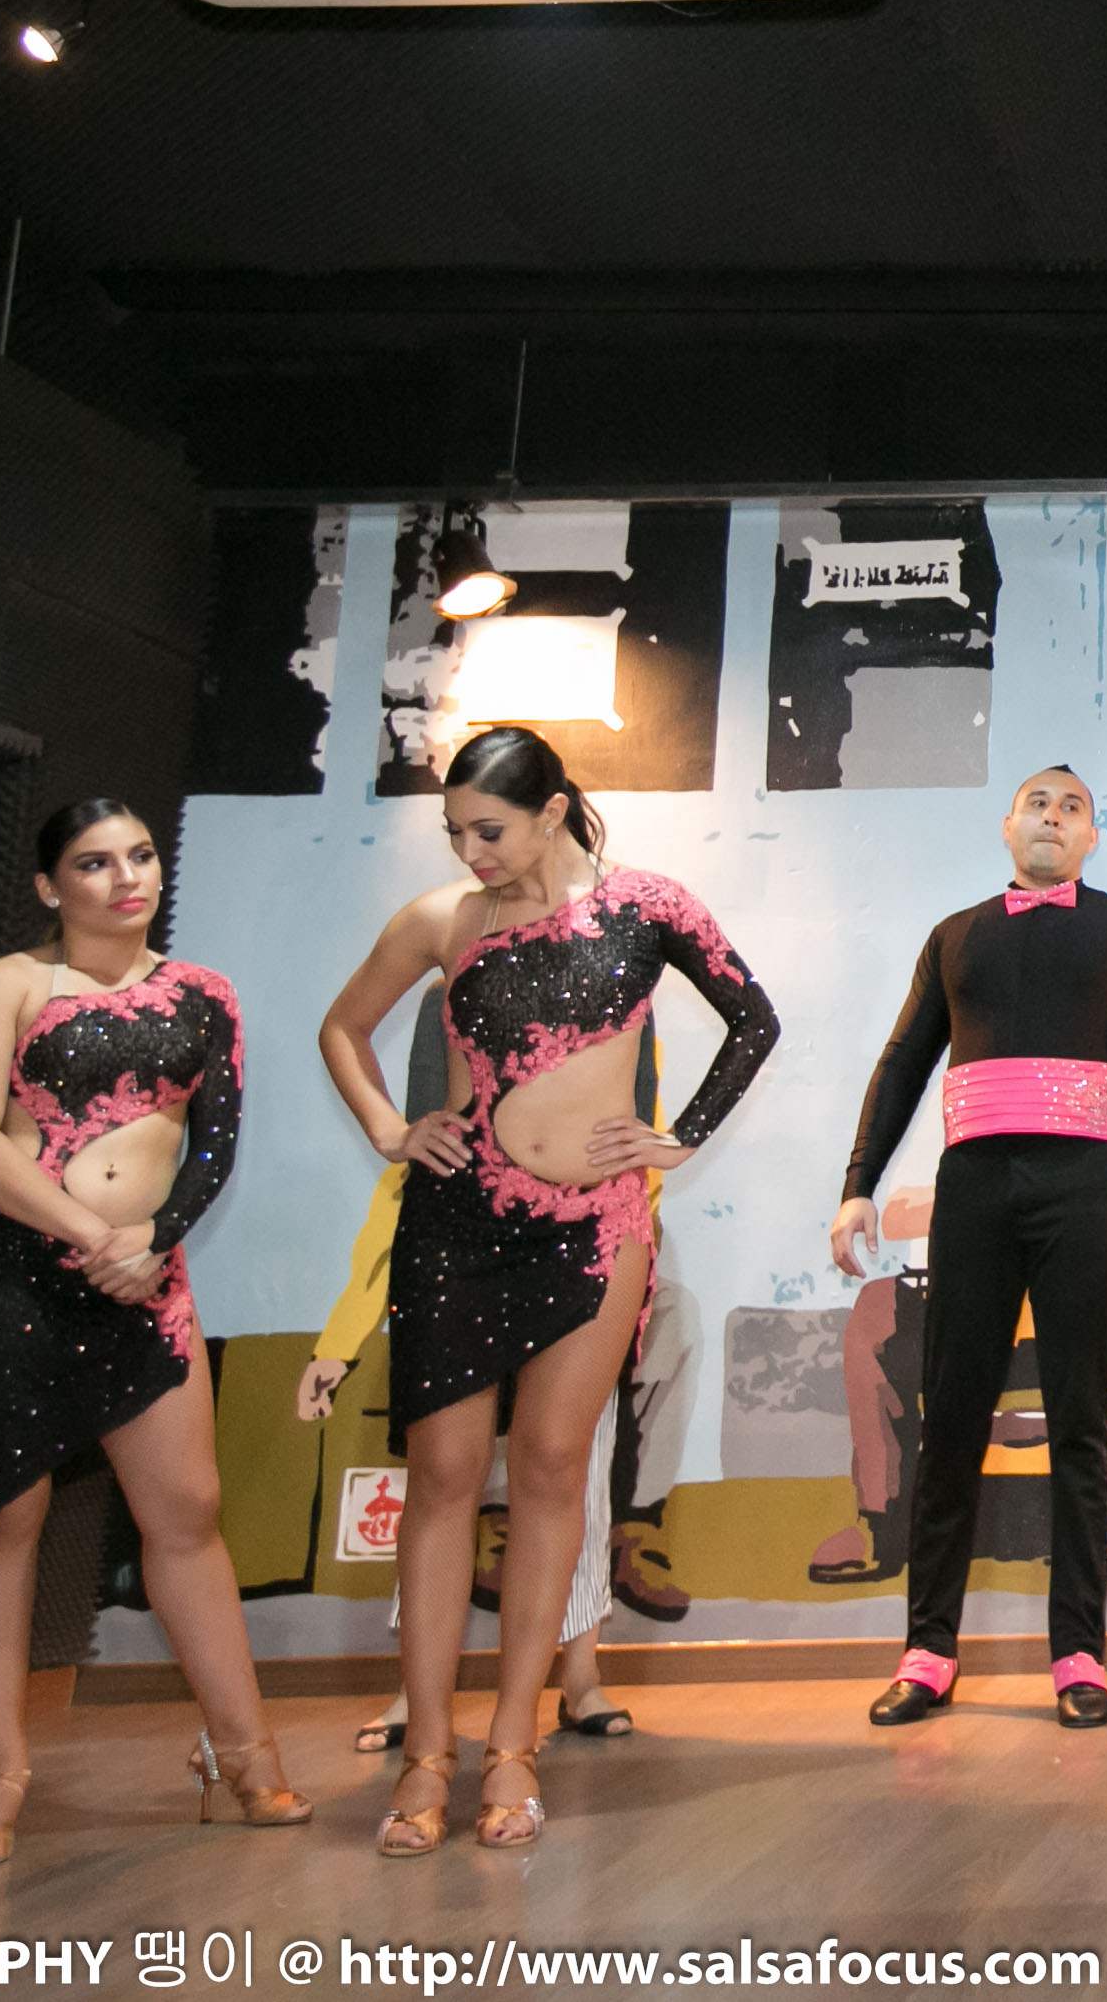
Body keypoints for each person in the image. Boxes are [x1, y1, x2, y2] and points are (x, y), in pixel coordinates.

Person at [318, 728, 777, 1854]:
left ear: (555, 810)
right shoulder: (443, 921)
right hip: (457, 1222)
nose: (471, 852)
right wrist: (389, 1128)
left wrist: (680, 1136)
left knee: (556, 1471)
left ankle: (513, 1747)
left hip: (594, 1232)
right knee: (442, 1478)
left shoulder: (647, 905)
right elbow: (343, 1027)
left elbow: (753, 1020)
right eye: (455, 833)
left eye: (490, 829)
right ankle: (428, 1755)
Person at [0, 800, 306, 1869]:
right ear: (49, 886)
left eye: (141, 856)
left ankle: (244, 1752)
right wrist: (93, 1235)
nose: (127, 878)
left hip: (144, 1281)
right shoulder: (7, 984)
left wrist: (154, 1239)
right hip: (10, 1278)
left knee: (187, 1514)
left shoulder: (204, 992)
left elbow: (215, 1143)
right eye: (95, 862)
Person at [831, 766, 1107, 1729]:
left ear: (1093, 837)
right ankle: (927, 1652)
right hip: (975, 1192)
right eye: (1038, 804)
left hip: (1083, 1191)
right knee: (952, 1418)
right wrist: (857, 1185)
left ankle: (1078, 1655)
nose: (1053, 816)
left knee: (1083, 1419)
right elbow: (902, 1062)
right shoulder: (954, 935)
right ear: (1007, 825)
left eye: (1072, 807)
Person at [298, 987, 632, 1749]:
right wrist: (341, 1338)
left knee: (574, 1467)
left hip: (588, 1245)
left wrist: (617, 1235)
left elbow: (635, 1130)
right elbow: (425, 1144)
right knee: (440, 1477)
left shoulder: (623, 969)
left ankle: (580, 1676)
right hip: (463, 1244)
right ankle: (417, 1697)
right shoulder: (449, 980)